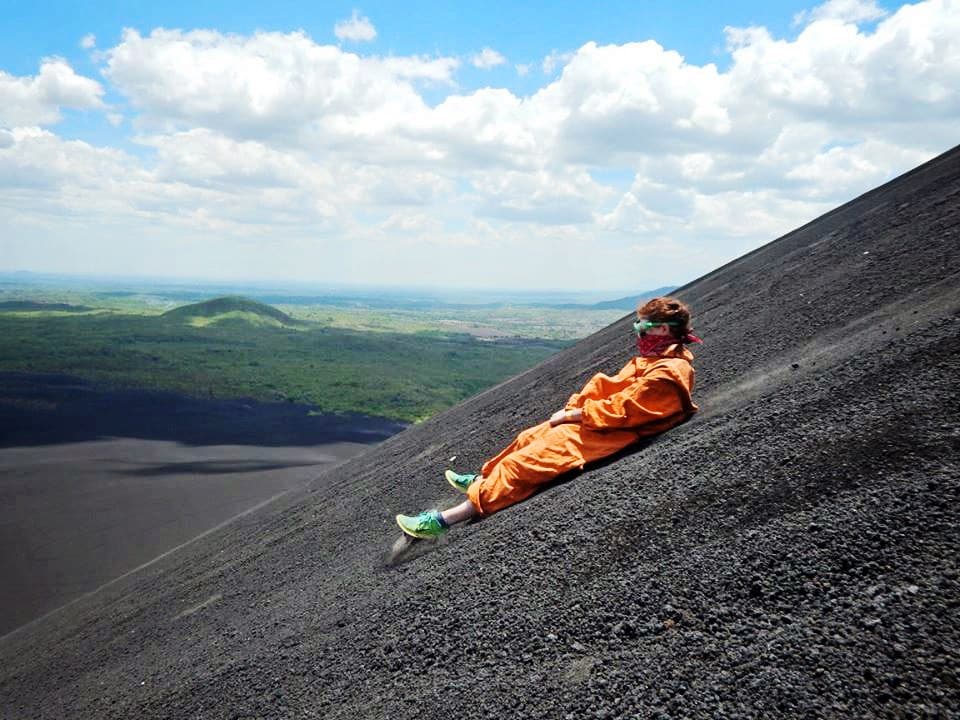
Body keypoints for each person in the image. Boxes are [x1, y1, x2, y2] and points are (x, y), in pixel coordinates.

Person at [395, 296, 701, 539]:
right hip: (600, 423)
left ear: (662, 330)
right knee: (529, 437)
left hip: (615, 433)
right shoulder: (656, 360)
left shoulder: (667, 373)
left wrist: (575, 414)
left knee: (524, 463)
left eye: (641, 327)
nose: (639, 333)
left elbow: (625, 412)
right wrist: (574, 413)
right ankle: (485, 480)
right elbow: (611, 391)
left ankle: (443, 521)